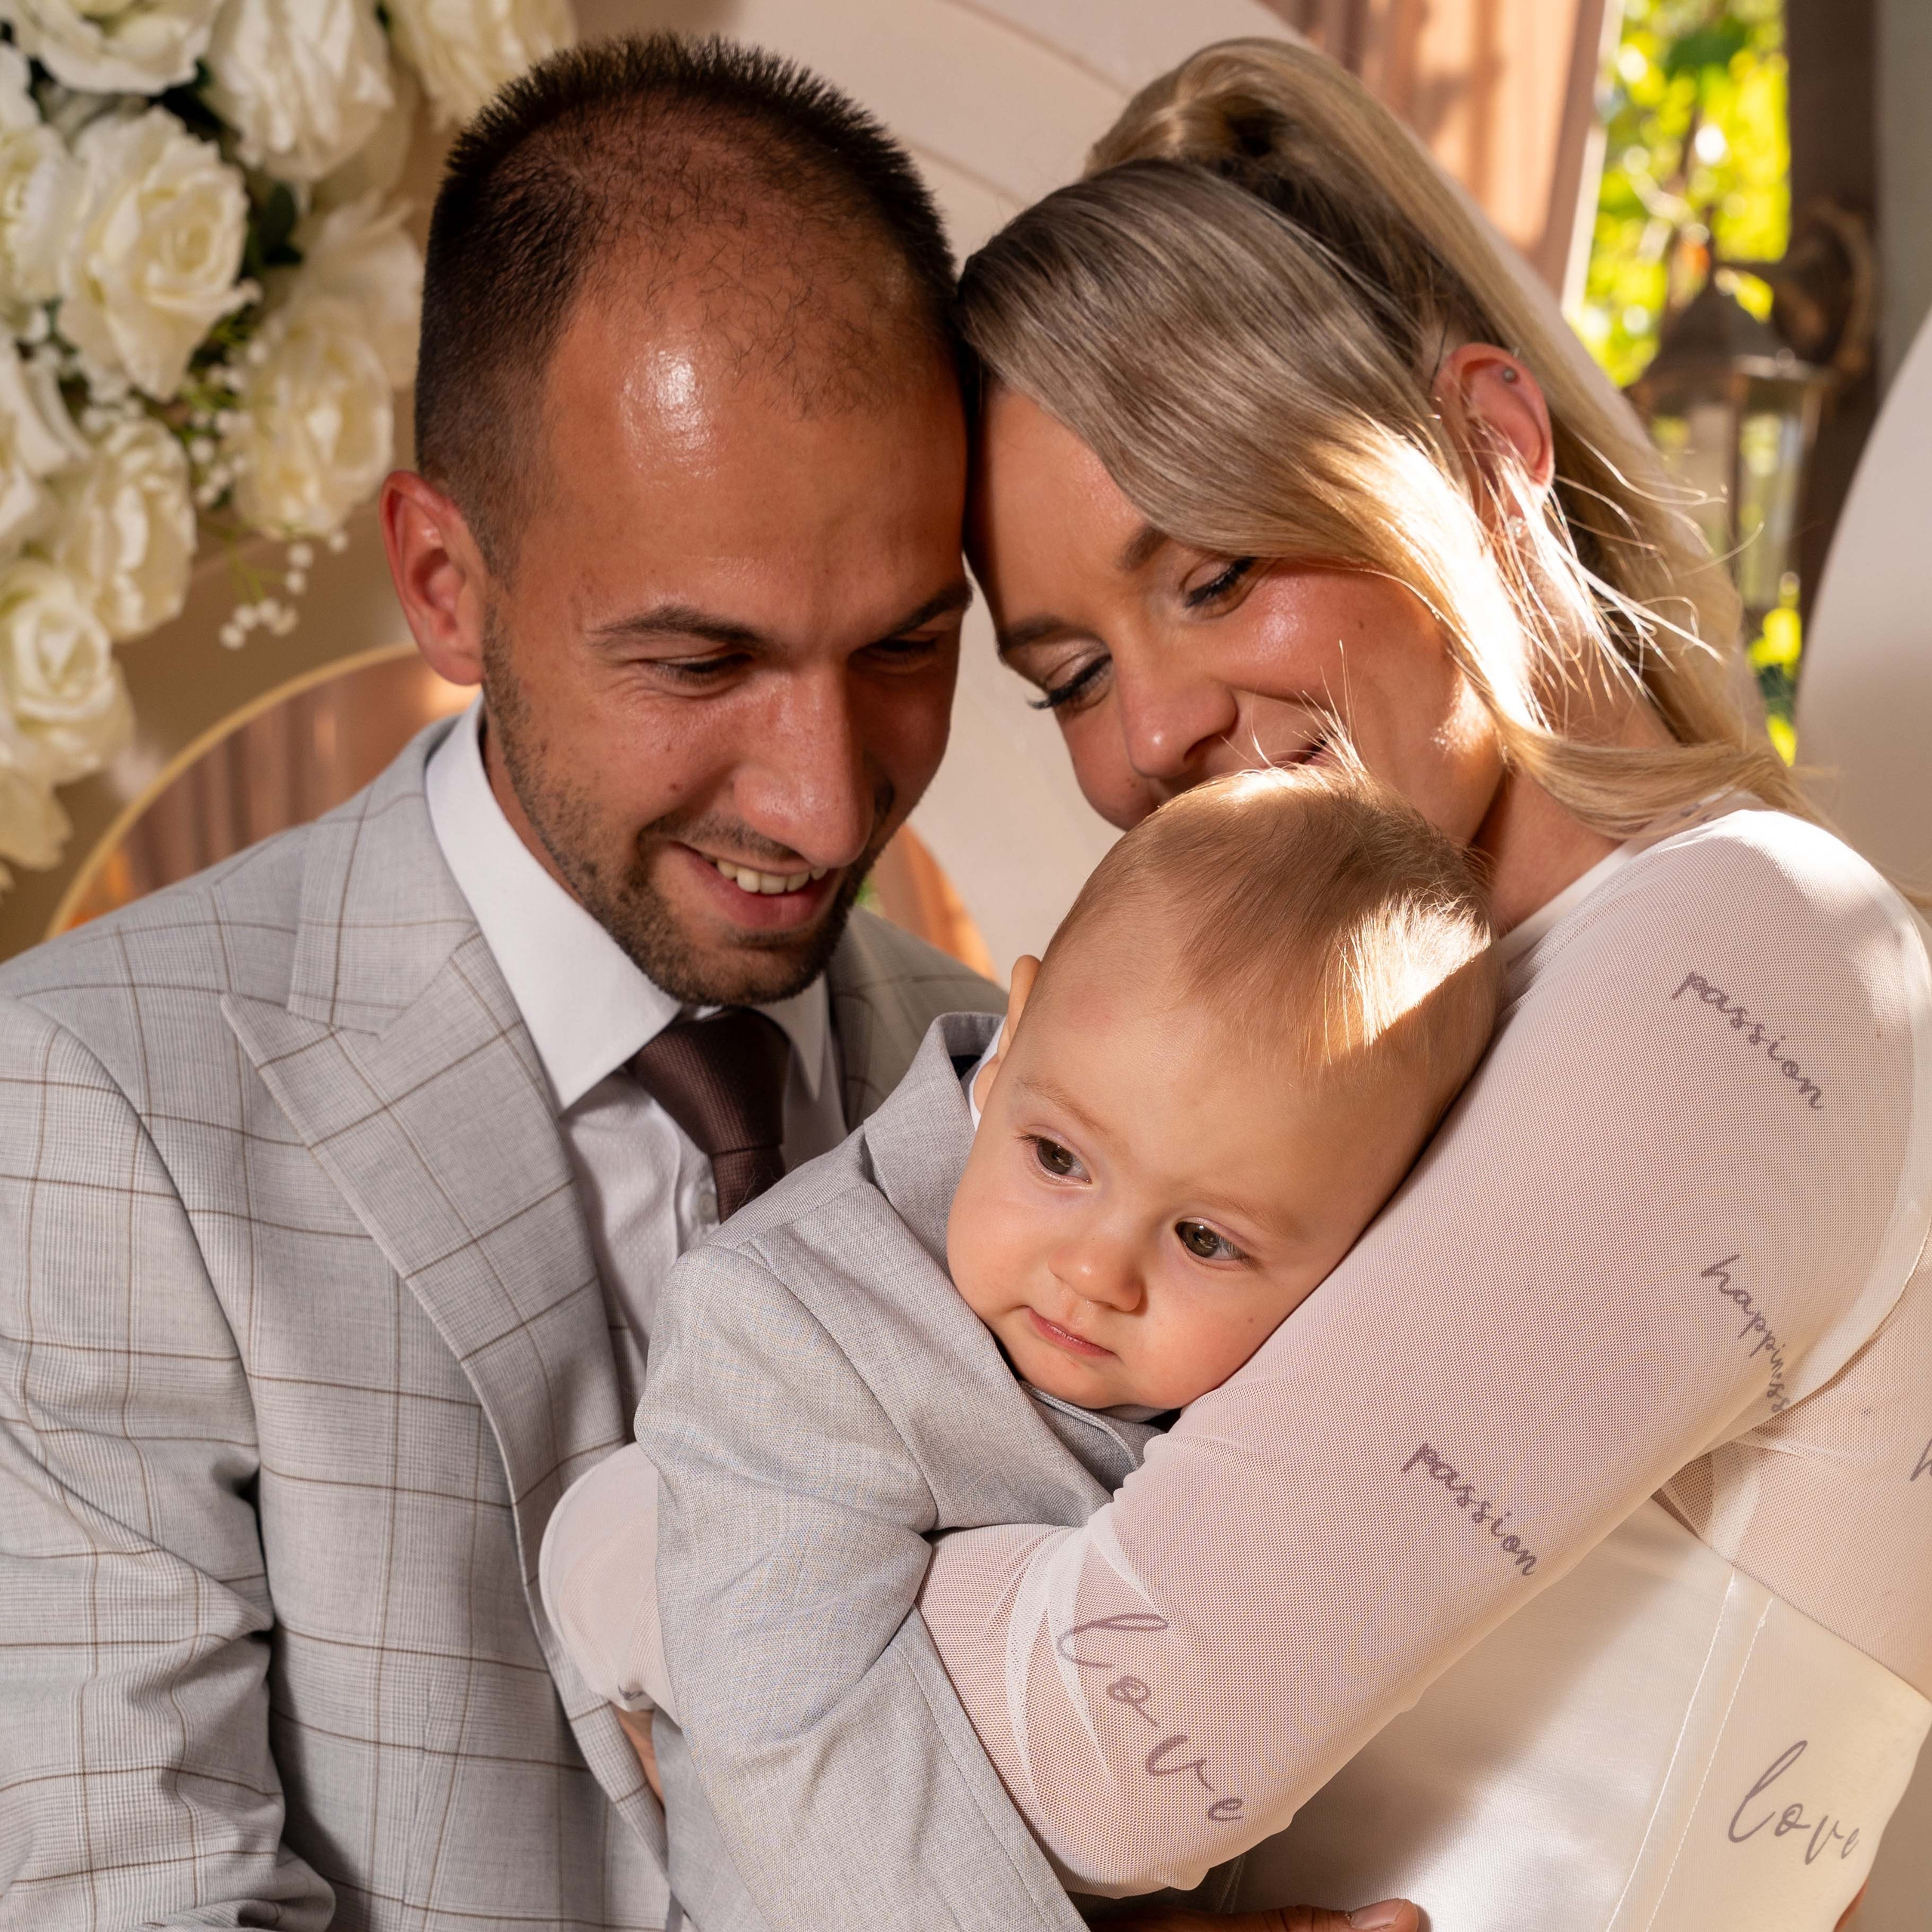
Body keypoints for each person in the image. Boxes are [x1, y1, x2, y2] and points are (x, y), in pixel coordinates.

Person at [554, 35, 1932, 1932]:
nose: (1153, 734)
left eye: (1208, 573)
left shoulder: (1744, 954)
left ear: (1488, 447)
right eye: (1068, 673)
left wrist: (649, 1534)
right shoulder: (1358, 1078)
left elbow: (1116, 1749)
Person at [0, 35, 1006, 1931]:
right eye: (699, 661)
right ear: (444, 579)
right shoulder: (84, 1118)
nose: (825, 792)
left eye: (905, 642)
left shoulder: (1016, 1087)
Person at [544, 766, 1499, 1931]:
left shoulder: (1305, 1376)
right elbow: (815, 1760)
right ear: (1009, 1046)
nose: (1095, 1271)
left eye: (1205, 1238)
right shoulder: (794, 1324)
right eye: (1058, 1159)